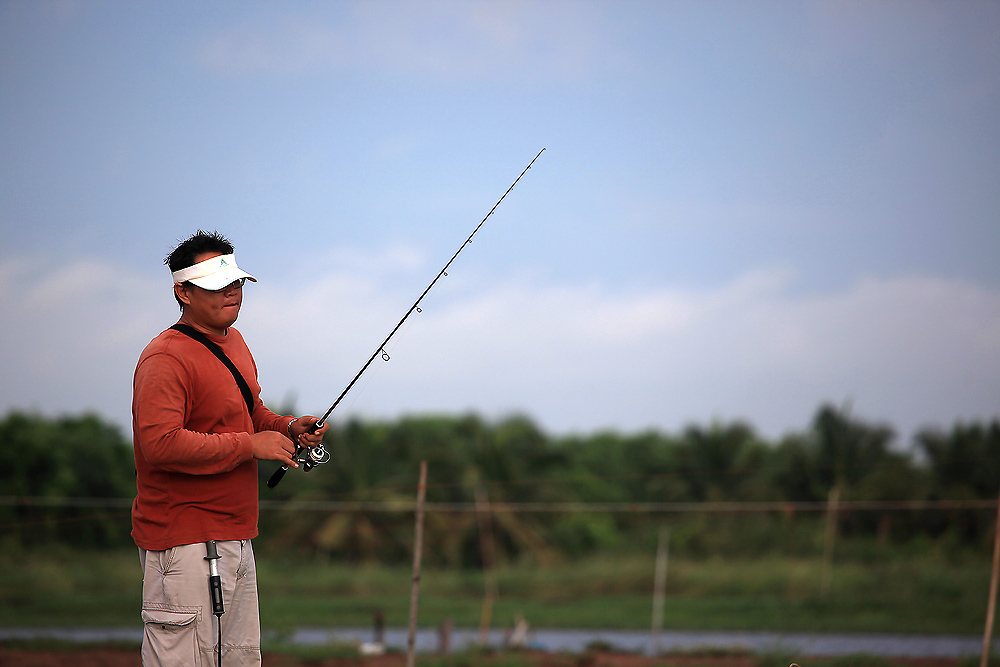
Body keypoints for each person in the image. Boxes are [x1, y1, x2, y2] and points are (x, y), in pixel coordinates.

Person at [131, 230, 328, 666]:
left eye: (236, 282)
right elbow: (160, 444)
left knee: (240, 660)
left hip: (237, 536)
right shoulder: (165, 357)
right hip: (184, 543)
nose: (232, 294)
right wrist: (249, 446)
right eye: (217, 286)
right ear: (182, 291)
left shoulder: (234, 342)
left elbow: (250, 411)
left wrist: (289, 427)